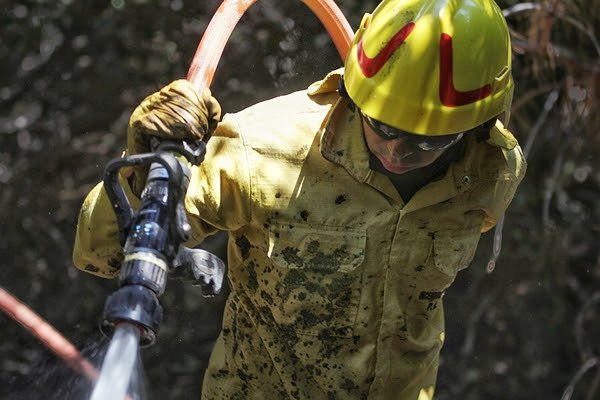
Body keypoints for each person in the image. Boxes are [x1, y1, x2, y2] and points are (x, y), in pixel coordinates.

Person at [73, 0, 526, 398]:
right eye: (382, 127)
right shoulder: (262, 151)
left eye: (427, 143)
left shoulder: (491, 171)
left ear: (480, 126)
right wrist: (142, 167)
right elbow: (101, 255)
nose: (396, 151)